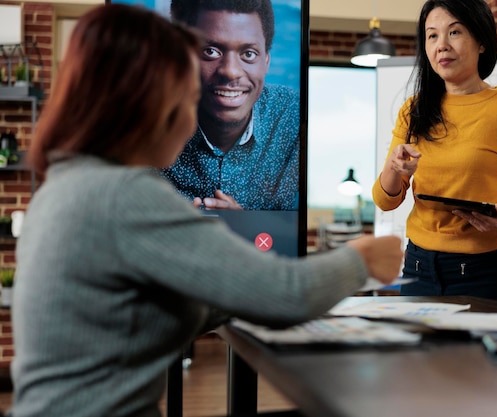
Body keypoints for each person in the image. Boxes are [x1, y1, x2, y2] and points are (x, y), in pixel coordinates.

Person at [8, 4, 403, 417]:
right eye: (189, 97)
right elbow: (289, 294)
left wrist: (231, 290)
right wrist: (363, 258)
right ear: (146, 102)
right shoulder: (125, 195)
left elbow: (142, 311)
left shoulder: (65, 186)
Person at [372, 0, 497, 304]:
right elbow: (384, 200)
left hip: (486, 273)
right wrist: (394, 169)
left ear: (481, 41)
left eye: (454, 32)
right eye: (432, 36)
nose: (441, 45)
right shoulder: (414, 110)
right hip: (418, 270)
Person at [162, 0, 299, 210]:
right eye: (210, 51)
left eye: (248, 54)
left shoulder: (294, 117)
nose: (231, 71)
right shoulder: (147, 120)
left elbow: (291, 231)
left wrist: (242, 226)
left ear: (266, 62)